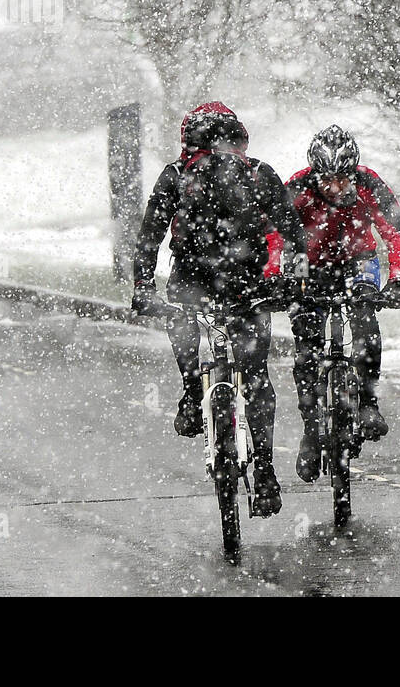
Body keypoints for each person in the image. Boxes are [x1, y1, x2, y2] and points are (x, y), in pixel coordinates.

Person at [131, 102, 307, 517]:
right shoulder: (257, 172)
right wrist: (291, 282)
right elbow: (293, 234)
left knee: (184, 323)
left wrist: (143, 285)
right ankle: (264, 471)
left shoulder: (176, 175)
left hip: (196, 282)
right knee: (256, 376)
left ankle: (194, 395)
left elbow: (149, 238)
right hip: (244, 283)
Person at [271, 125, 400, 484]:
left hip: (357, 259)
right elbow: (274, 234)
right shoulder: (297, 187)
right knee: (306, 344)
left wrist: (397, 279)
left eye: (343, 181)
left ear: (354, 173)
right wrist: (278, 277)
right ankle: (310, 432)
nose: (336, 189)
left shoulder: (370, 184)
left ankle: (367, 403)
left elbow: (395, 231)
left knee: (365, 318)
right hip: (308, 261)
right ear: (314, 174)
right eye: (327, 181)